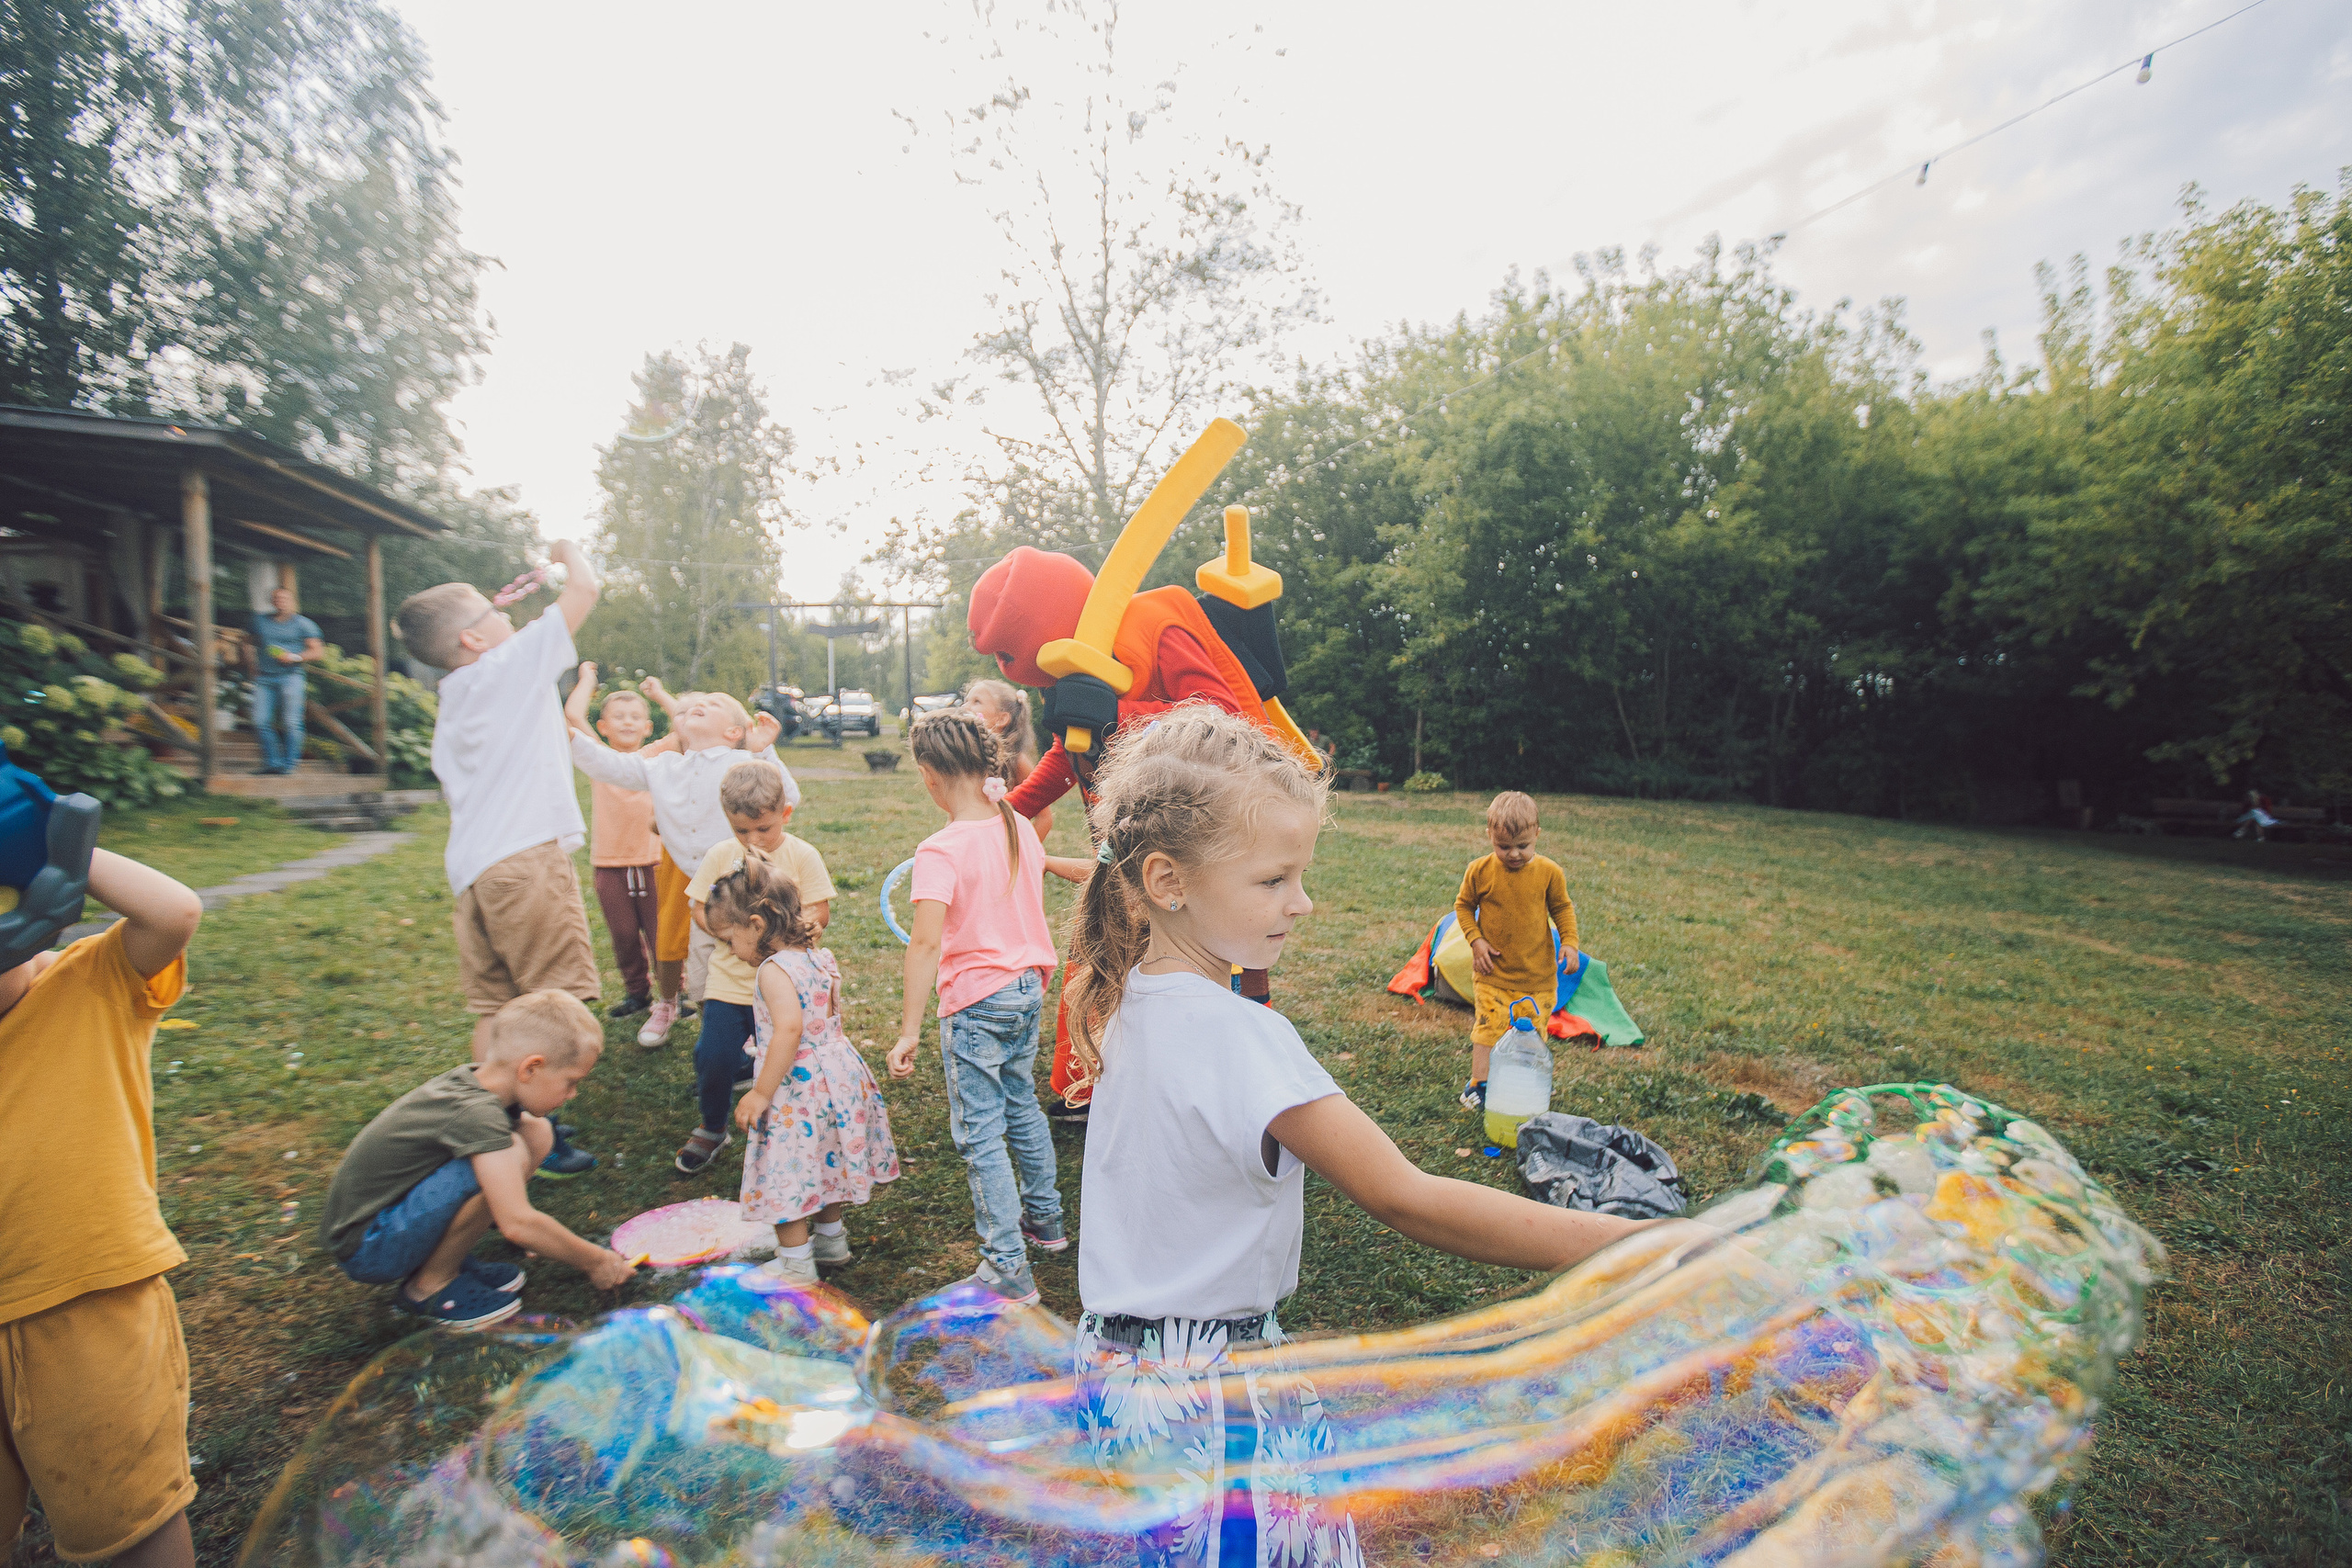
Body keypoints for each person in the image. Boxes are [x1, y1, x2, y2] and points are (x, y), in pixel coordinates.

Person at [1061, 705, 1655, 1568]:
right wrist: (1641, 1247)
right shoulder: (1245, 1038)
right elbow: (1406, 1195)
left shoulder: (1127, 997)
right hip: (1216, 1397)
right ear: (1167, 880)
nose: (1302, 902)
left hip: (1119, 1375)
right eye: (1274, 880)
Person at [1, 848, 203, 1568]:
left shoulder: (92, 979)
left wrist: (53, 834)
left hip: (91, 1307)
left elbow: (174, 910)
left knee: (129, 1524)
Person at [394, 540, 602, 1177]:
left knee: (495, 1006)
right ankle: (544, 1129)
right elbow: (583, 591)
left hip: (475, 872)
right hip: (525, 862)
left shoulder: (461, 696)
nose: (505, 616)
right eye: (492, 612)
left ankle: (483, 1125)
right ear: (473, 641)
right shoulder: (502, 668)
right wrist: (571, 553)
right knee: (553, 1002)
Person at [318, 991, 638, 1331]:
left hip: (386, 1219)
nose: (572, 1094)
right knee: (507, 1153)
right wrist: (596, 1261)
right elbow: (518, 1223)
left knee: (536, 1132)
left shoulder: (476, 1082)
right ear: (531, 1068)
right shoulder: (477, 1116)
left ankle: (445, 1259)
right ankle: (428, 1286)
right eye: (571, 1082)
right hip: (370, 1246)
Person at [885, 707, 1065, 1304]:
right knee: (1022, 1104)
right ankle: (1047, 1222)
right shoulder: (1013, 822)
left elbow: (927, 942)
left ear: (930, 775)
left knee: (981, 1130)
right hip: (1025, 991)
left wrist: (909, 1028)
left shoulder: (940, 848)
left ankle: (1006, 1265)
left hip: (977, 1001)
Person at [566, 687, 798, 1049]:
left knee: (755, 963)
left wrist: (763, 748)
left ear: (733, 732)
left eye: (715, 703)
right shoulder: (663, 766)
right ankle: (724, 1043)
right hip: (700, 891)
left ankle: (763, 1038)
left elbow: (788, 797)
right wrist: (571, 738)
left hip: (745, 887)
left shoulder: (740, 763)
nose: (701, 703)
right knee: (706, 978)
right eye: (693, 705)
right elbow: (610, 765)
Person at [707, 856, 898, 1286]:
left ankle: (795, 1264)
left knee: (784, 1173)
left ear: (756, 925)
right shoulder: (817, 956)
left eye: (727, 939)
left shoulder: (773, 970)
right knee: (825, 1160)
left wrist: (760, 1092)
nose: (728, 951)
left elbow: (790, 1029)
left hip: (798, 1086)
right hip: (837, 1076)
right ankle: (831, 1240)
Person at [675, 761, 837, 1175]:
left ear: (785, 813)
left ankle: (801, 1124)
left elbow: (820, 908)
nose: (753, 840)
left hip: (786, 986)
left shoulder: (801, 855)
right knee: (712, 1056)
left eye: (763, 829)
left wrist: (794, 933)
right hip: (731, 983)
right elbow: (698, 906)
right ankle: (713, 1127)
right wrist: (730, 932)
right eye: (741, 831)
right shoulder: (722, 856)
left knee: (790, 1052)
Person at [1452, 790, 1576, 1115]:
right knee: (1488, 1028)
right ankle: (1480, 1085)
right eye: (1503, 847)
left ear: (1537, 834)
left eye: (1523, 846)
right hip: (1493, 974)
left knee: (1531, 1038)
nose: (1514, 854)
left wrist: (1571, 944)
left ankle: (1525, 1086)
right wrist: (1476, 940)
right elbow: (1463, 906)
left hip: (1538, 978)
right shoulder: (1479, 871)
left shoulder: (1550, 873)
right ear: (1489, 836)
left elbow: (1562, 908)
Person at [564, 668, 666, 1022]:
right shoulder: (599, 761)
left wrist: (659, 695)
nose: (627, 723)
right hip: (609, 864)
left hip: (654, 862)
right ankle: (637, 993)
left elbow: (687, 726)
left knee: (661, 934)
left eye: (635, 717)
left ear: (647, 728)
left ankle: (673, 993)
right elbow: (573, 716)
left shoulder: (657, 758)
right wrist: (588, 681)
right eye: (618, 717)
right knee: (623, 935)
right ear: (603, 727)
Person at [247, 583, 323, 776]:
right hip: (264, 678)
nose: (281, 602)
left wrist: (294, 657)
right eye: (277, 599)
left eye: (285, 599)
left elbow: (318, 651)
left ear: (292, 601)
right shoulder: (259, 622)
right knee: (260, 721)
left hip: (291, 677)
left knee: (291, 722)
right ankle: (272, 763)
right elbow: (246, 642)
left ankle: (289, 766)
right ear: (272, 602)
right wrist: (250, 664)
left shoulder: (304, 624)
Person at [965, 676, 1052, 840]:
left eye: (976, 702)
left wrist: (1021, 855)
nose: (965, 707)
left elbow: (1045, 818)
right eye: (966, 700)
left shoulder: (1017, 762)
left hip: (1002, 847)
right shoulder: (966, 758)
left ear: (1002, 719)